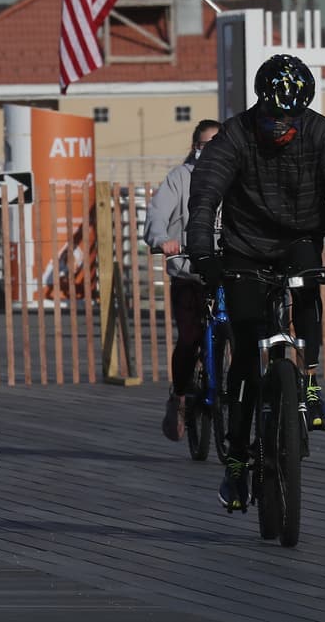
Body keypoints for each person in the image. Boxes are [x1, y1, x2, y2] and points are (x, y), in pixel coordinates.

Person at [186, 54, 325, 512]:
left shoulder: (324, 136)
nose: (281, 127)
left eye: (291, 118)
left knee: (306, 288)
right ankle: (235, 462)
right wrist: (203, 253)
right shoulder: (234, 136)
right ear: (259, 106)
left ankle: (309, 381)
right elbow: (204, 196)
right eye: (272, 117)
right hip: (244, 247)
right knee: (246, 356)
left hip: (300, 239)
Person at [142, 119, 221, 442]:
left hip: (227, 271)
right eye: (205, 145)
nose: (211, 151)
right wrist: (162, 239)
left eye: (218, 145)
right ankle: (180, 395)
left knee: (242, 331)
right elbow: (157, 214)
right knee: (190, 336)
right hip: (190, 272)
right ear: (194, 147)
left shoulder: (238, 176)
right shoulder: (180, 177)